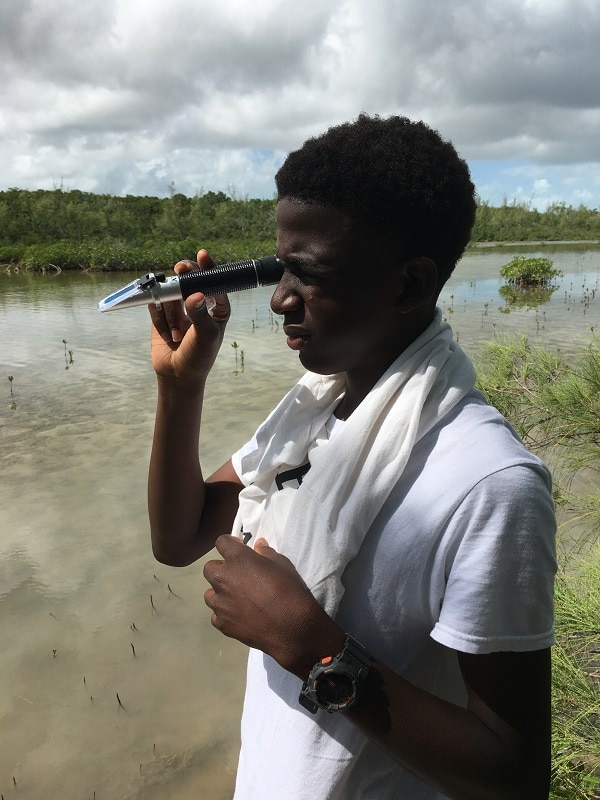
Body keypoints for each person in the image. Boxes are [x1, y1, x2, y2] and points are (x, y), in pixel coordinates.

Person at [147, 114, 556, 800]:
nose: (278, 299)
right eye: (279, 269)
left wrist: (314, 649)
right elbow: (179, 537)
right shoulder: (312, 411)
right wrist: (179, 386)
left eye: (307, 275)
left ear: (407, 284)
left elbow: (513, 775)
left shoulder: (489, 484)